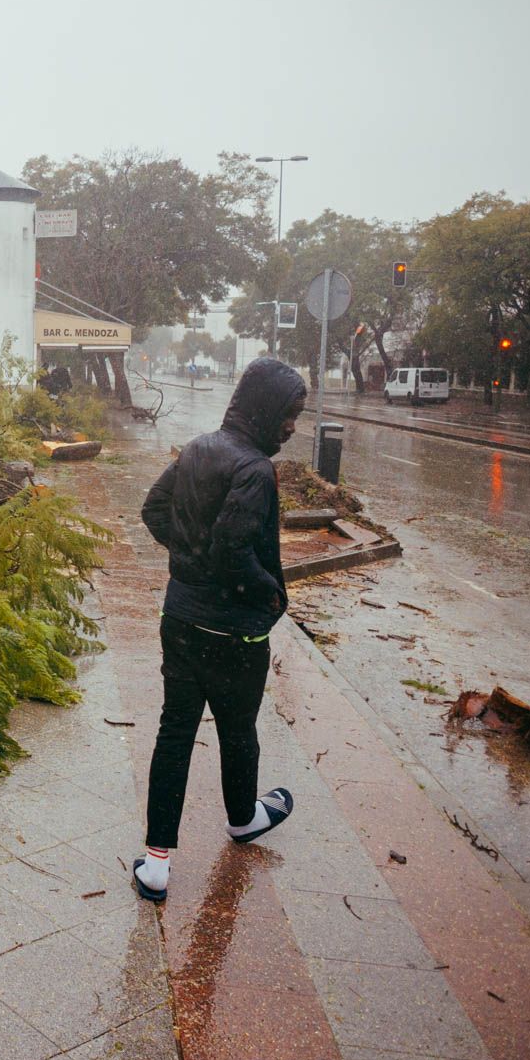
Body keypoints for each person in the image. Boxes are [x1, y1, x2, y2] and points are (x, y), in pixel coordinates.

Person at [132, 356, 308, 901]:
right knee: (238, 731)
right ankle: (242, 820)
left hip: (180, 620)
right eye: (289, 414)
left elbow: (153, 510)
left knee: (175, 733)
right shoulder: (255, 468)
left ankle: (156, 863)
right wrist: (271, 593)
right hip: (235, 636)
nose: (292, 426)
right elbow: (234, 552)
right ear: (265, 409)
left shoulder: (198, 448)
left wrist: (188, 560)